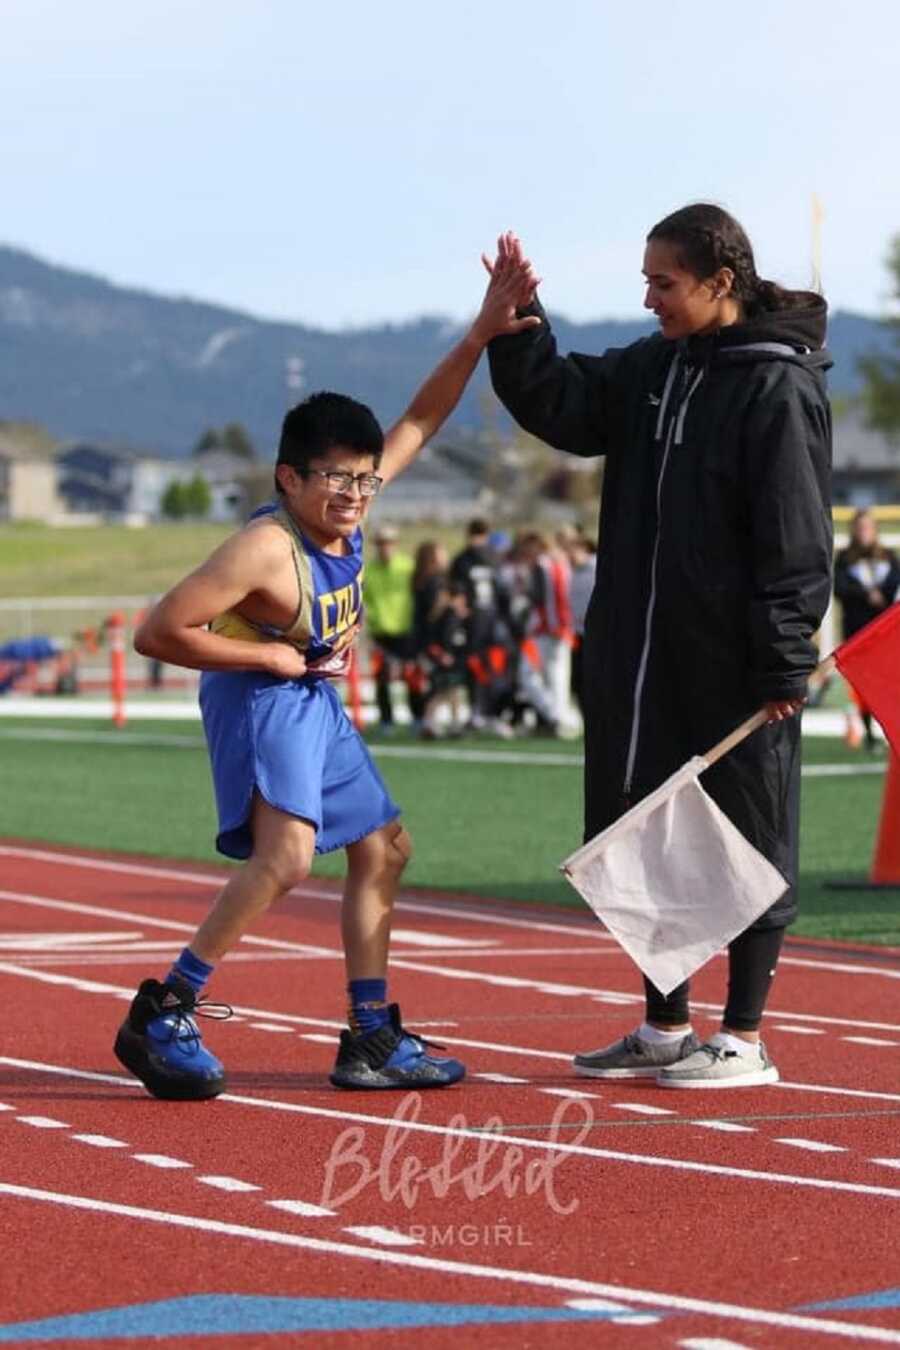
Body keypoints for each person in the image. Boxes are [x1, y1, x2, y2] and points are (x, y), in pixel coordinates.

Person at [113, 260, 540, 1100]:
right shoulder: (266, 549)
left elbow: (423, 415)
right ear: (289, 479)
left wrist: (480, 333)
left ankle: (370, 1036)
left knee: (385, 849)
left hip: (312, 698)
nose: (353, 493)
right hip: (262, 693)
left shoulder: (356, 499)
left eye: (363, 477)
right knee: (289, 859)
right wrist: (266, 655)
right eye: (335, 478)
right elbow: (157, 631)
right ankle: (165, 1007)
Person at [486, 209, 833, 1087]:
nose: (648, 301)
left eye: (663, 283)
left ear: (721, 282)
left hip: (732, 661)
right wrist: (521, 323)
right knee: (642, 829)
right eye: (645, 282)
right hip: (637, 655)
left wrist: (784, 655)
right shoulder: (656, 370)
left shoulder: (775, 387)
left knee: (748, 836)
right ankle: (666, 1027)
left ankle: (745, 1037)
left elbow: (797, 537)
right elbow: (562, 402)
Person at [834, 509, 900, 750]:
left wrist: (881, 595)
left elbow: (895, 586)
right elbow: (840, 589)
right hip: (856, 633)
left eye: (868, 527)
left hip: (882, 634)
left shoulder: (888, 557)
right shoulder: (844, 558)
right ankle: (870, 733)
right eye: (859, 527)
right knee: (862, 687)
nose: (864, 532)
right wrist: (866, 595)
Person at [364, 524, 421, 733]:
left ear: (395, 544)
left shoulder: (408, 567)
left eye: (388, 543)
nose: (384, 547)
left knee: (411, 676)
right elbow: (363, 602)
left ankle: (417, 718)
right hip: (380, 634)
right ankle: (386, 721)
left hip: (406, 632)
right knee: (381, 678)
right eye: (380, 544)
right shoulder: (368, 571)